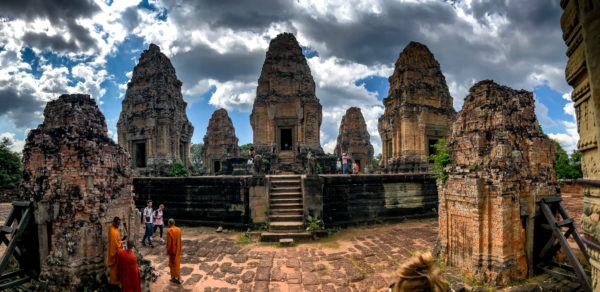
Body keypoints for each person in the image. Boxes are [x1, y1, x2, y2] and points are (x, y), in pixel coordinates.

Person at [107, 217, 124, 285]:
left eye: (119, 224)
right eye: (117, 224)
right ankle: (114, 282)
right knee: (114, 268)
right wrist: (121, 243)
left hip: (116, 250)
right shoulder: (112, 231)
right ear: (113, 222)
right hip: (114, 252)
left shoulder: (112, 228)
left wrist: (120, 241)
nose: (118, 225)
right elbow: (115, 244)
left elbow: (116, 240)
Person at [166, 218, 182, 284]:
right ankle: (178, 278)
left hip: (172, 250)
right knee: (177, 264)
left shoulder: (169, 231)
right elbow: (179, 240)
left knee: (172, 264)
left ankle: (173, 277)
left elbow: (169, 243)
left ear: (169, 223)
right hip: (178, 249)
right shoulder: (178, 229)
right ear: (174, 223)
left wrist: (167, 251)